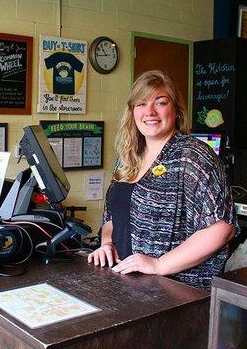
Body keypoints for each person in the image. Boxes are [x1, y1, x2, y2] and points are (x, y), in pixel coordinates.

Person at [88, 70, 239, 290]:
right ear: (132, 112)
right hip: (126, 282)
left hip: (173, 291)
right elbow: (113, 215)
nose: (149, 111)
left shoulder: (192, 156)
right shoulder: (128, 156)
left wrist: (159, 264)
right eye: (141, 104)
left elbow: (222, 228)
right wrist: (107, 245)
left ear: (176, 110)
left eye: (160, 102)